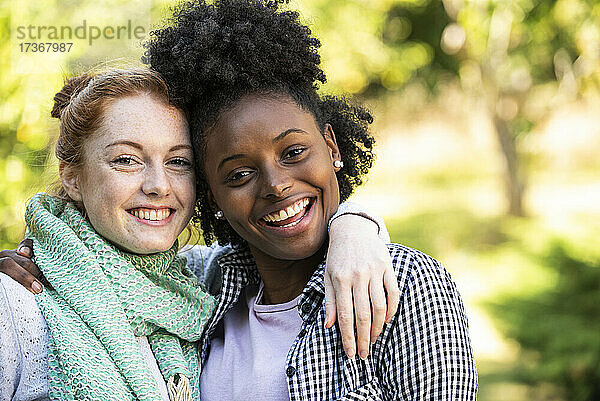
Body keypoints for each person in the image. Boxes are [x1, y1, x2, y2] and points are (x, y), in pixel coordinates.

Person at [144, 0, 477, 399]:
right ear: (210, 193)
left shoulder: (405, 286)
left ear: (332, 146)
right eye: (239, 175)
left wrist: (353, 222)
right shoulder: (202, 288)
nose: (276, 185)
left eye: (294, 152)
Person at [0, 67, 396, 401]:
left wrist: (354, 226)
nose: (158, 185)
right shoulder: (18, 304)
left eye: (177, 161)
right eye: (126, 160)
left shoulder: (201, 284)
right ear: (72, 177)